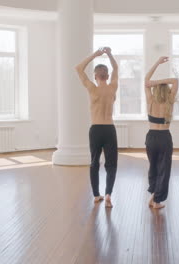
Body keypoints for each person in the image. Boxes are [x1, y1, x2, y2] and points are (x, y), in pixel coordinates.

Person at [75, 47, 118, 208]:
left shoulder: (92, 88)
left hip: (95, 129)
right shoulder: (113, 87)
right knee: (111, 164)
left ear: (95, 76)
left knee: (94, 162)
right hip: (109, 129)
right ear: (107, 76)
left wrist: (95, 54)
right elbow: (116, 68)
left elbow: (78, 68)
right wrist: (109, 54)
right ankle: (108, 194)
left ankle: (96, 195)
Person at [144, 56, 179, 209]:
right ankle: (156, 200)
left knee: (153, 166)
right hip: (164, 137)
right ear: (167, 89)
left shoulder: (150, 100)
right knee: (164, 169)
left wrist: (157, 62)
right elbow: (176, 81)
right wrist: (162, 81)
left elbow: (146, 80)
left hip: (151, 137)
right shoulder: (169, 101)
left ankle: (153, 192)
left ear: (155, 89)